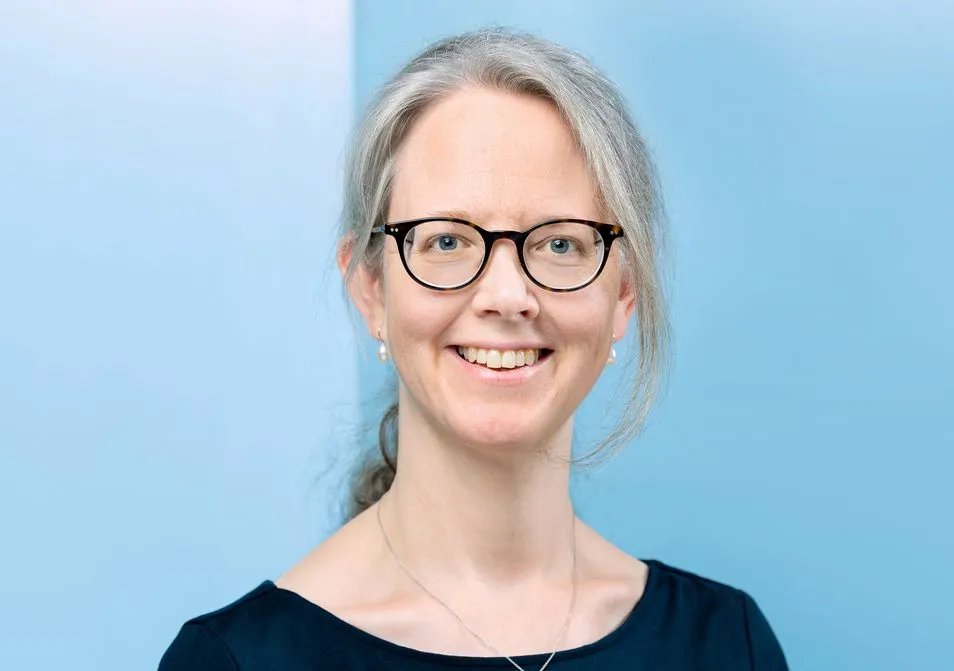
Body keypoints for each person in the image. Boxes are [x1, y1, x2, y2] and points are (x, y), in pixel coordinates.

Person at [159, 28, 789, 670]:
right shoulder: (238, 660)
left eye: (562, 243)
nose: (507, 295)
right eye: (447, 241)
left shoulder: (727, 645)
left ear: (623, 294)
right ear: (371, 288)